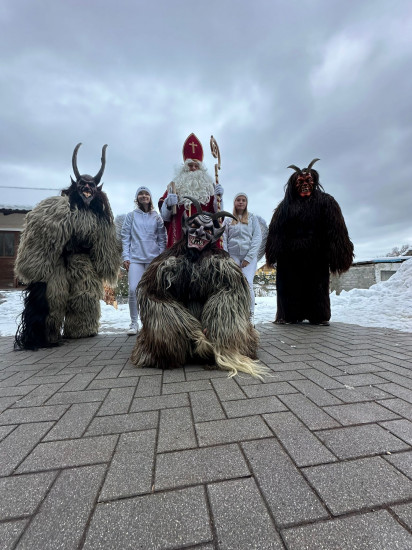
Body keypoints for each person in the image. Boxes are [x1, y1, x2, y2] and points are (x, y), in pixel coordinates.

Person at [130, 197, 268, 379]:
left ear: (214, 237)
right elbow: (152, 295)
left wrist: (216, 324)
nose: (200, 232)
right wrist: (184, 327)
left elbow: (232, 294)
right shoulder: (166, 262)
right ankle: (184, 344)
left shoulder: (222, 264)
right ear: (186, 228)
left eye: (207, 230)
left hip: (208, 326)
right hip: (179, 329)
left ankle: (214, 345)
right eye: (195, 226)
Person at [14, 143, 121, 349]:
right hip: (58, 260)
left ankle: (81, 330)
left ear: (97, 190)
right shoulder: (58, 207)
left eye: (91, 185)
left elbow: (104, 245)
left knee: (86, 295)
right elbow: (40, 230)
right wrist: (39, 265)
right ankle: (48, 333)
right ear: (75, 186)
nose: (87, 188)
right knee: (55, 295)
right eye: (83, 184)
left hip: (83, 261)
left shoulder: (101, 217)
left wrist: (105, 266)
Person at [265, 159, 354, 325]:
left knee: (317, 284)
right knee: (289, 285)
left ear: (314, 182)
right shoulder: (285, 206)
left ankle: (319, 315)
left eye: (308, 181)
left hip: (317, 253)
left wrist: (338, 253)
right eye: (300, 182)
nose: (305, 185)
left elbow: (336, 229)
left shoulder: (326, 202)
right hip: (290, 255)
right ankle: (289, 315)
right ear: (294, 185)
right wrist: (274, 253)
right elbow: (276, 231)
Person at [159, 133, 224, 247]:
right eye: (190, 165)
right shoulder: (174, 186)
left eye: (196, 166)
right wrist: (168, 204)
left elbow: (217, 216)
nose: (193, 168)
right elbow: (165, 217)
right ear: (185, 167)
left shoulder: (210, 187)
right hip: (179, 239)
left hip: (203, 239)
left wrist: (219, 198)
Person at [121, 186, 166, 335]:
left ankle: (151, 322)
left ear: (150, 197)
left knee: (152, 292)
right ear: (137, 198)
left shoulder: (156, 217)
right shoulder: (131, 216)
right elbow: (125, 237)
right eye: (140, 194)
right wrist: (126, 257)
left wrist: (161, 257)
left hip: (153, 260)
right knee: (133, 290)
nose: (144, 196)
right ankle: (134, 323)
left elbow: (162, 238)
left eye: (146, 193)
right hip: (136, 259)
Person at [223, 193, 262, 324]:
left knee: (247, 283)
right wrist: (227, 257)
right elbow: (224, 238)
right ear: (234, 202)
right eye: (238, 200)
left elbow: (257, 238)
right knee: (233, 284)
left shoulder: (252, 218)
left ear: (246, 203)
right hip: (233, 255)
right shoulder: (228, 219)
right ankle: (235, 316)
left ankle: (250, 315)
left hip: (248, 256)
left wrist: (249, 257)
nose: (241, 202)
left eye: (243, 200)